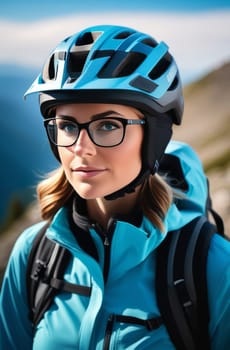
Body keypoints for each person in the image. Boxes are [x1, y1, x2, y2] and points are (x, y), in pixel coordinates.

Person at [0, 24, 229, 350]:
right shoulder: (35, 254)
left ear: (154, 137)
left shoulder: (213, 267)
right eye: (66, 125)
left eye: (108, 125)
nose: (80, 148)